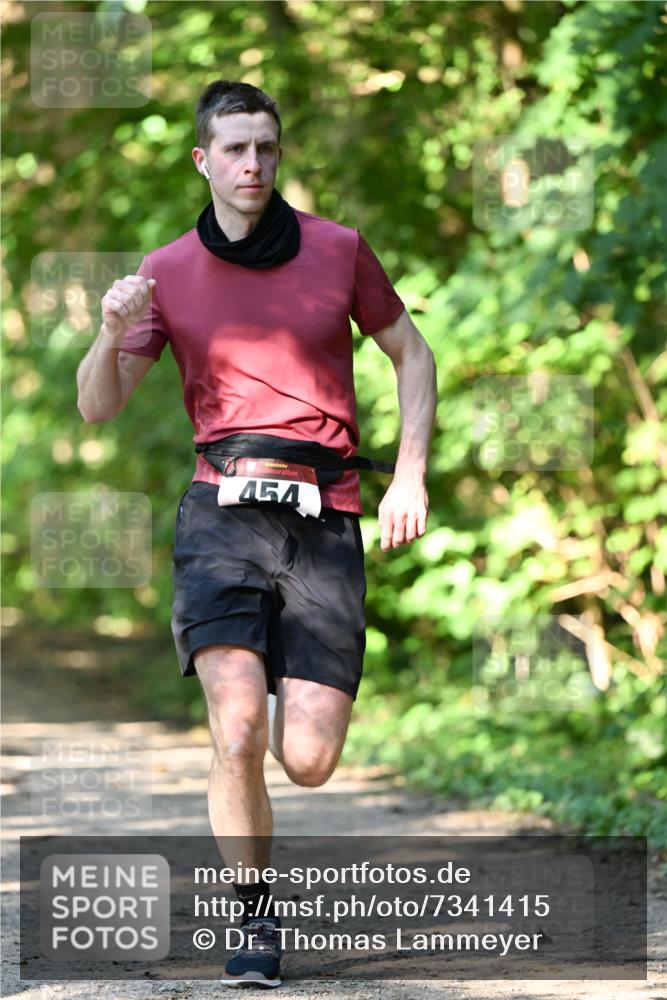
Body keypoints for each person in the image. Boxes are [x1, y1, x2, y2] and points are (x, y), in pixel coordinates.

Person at [76, 79, 436, 988]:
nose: (252, 163)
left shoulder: (337, 249)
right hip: (221, 516)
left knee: (307, 761)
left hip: (325, 517)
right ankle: (253, 921)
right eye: (235, 148)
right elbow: (97, 407)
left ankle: (275, 683)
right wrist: (110, 332)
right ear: (203, 160)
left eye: (266, 147)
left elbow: (411, 353)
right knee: (235, 733)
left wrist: (409, 473)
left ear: (279, 154)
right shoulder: (165, 271)